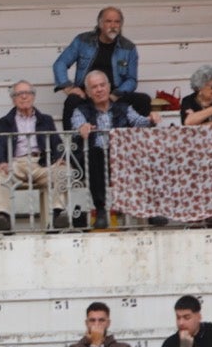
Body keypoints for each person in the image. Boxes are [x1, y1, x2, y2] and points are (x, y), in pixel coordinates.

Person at [68, 69, 159, 230]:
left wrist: (151, 119)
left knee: (144, 156)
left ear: (109, 87)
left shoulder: (124, 108)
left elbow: (139, 121)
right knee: (94, 155)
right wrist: (83, 127)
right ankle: (101, 210)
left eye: (102, 85)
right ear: (88, 93)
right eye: (94, 87)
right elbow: (78, 125)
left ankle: (150, 210)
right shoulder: (81, 110)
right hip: (95, 159)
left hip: (121, 157)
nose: (99, 89)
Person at [0, 83, 69, 234]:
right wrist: (0, 162)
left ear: (33, 96)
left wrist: (60, 157)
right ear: (13, 99)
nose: (24, 96)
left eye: (27, 93)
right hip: (17, 163)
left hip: (41, 163)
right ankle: (3, 216)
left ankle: (57, 215)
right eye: (19, 94)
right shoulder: (5, 121)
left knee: (64, 170)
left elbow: (56, 142)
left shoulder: (45, 119)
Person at [52, 7, 151, 121]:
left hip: (114, 94)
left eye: (117, 22)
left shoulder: (129, 48)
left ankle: (134, 137)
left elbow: (131, 80)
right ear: (100, 24)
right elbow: (60, 63)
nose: (113, 25)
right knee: (72, 100)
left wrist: (114, 95)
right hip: (87, 94)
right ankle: (70, 138)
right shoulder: (83, 40)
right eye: (108, 21)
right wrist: (68, 88)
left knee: (143, 100)